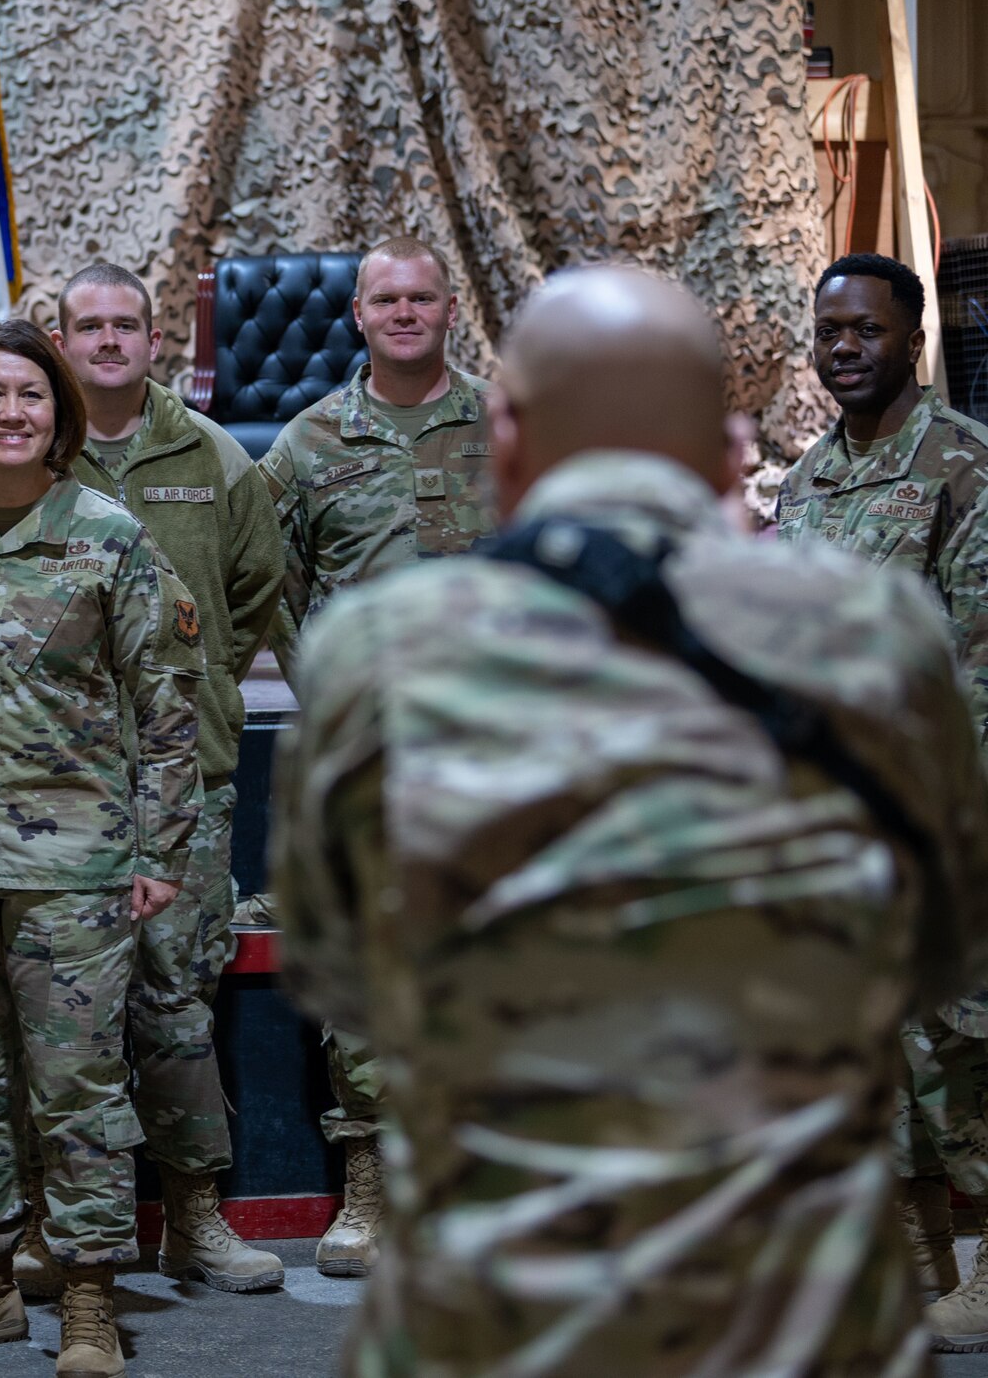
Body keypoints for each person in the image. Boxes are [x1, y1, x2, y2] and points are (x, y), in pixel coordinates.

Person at [273, 265, 988, 1376]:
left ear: (501, 439)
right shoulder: (872, 637)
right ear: (728, 447)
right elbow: (938, 956)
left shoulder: (377, 651)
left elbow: (338, 978)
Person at [0, 318, 205, 1378]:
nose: (9, 413)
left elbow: (166, 708)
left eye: (28, 395)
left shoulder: (107, 536)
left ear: (57, 414)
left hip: (75, 864)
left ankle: (86, 1300)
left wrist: (159, 851)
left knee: (76, 1086)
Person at [28, 262, 283, 1296]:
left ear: (153, 338)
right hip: (51, 787)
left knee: (177, 1003)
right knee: (57, 1011)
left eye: (123, 325)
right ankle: (59, 1224)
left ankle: (192, 1219)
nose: (105, 343)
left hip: (182, 786)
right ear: (60, 340)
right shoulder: (27, 453)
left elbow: (251, 594)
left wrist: (194, 696)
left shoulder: (213, 460)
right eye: (85, 327)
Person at [256, 233, 494, 1278]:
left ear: (450, 310)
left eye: (421, 298)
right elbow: (265, 577)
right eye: (383, 300)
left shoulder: (509, 427)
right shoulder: (308, 443)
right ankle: (366, 1184)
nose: (403, 313)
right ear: (355, 316)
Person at [776, 252, 988, 1352]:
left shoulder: (961, 467)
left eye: (863, 330)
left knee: (962, 1038)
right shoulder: (807, 481)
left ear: (910, 339)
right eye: (828, 333)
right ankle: (917, 1259)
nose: (842, 348)